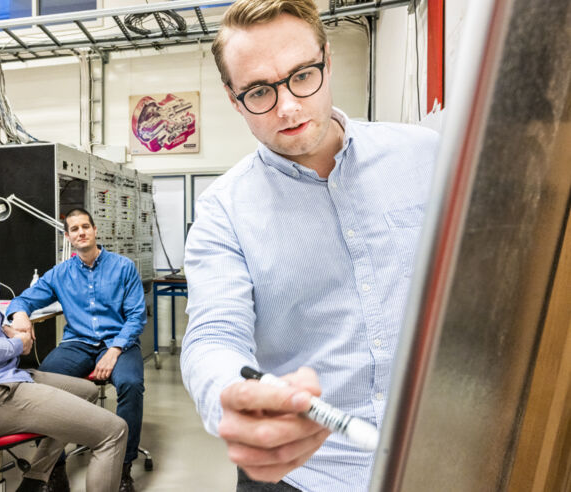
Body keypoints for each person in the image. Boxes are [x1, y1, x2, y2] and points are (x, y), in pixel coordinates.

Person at [180, 1, 440, 491]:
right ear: (233, 99)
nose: (288, 106)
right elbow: (212, 336)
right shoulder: (223, 211)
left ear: (327, 60)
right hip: (302, 472)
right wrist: (232, 398)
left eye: (302, 75)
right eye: (259, 90)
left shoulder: (425, 157)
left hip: (437, 460)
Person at [0, 180, 127, 492]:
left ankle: (35, 479)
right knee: (114, 431)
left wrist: (2, 329)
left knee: (86, 390)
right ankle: (41, 478)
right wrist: (19, 342)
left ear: (96, 231)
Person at [6, 207, 147, 492]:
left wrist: (115, 349)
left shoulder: (123, 267)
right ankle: (54, 468)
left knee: (131, 384)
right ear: (68, 237)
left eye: (85, 226)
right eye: (74, 229)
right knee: (41, 383)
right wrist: (20, 314)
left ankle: (123, 467)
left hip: (118, 341)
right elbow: (22, 300)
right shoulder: (60, 273)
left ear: (95, 230)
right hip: (78, 344)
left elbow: (136, 317)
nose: (81, 232)